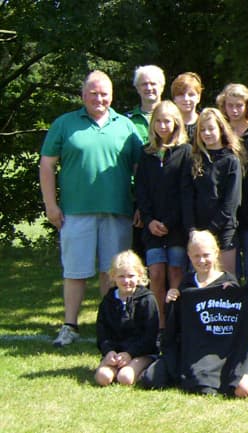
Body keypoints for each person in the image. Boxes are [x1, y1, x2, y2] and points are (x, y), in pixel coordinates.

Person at [41, 70, 144, 347]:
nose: (100, 98)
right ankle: (70, 325)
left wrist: (141, 205)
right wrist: (51, 205)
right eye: (94, 93)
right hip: (76, 211)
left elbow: (141, 171)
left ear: (112, 96)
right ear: (83, 95)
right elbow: (47, 166)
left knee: (112, 273)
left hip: (118, 210)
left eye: (105, 94)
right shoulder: (64, 124)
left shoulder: (125, 126)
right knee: (75, 271)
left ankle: (110, 324)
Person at [146, 231, 248, 396]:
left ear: (216, 253)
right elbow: (177, 322)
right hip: (191, 350)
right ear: (189, 256)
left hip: (221, 352)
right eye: (196, 256)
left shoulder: (229, 284)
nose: (201, 260)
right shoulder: (186, 283)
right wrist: (171, 301)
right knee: (151, 379)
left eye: (206, 255)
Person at [135, 100, 191, 328]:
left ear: (176, 123)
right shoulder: (146, 153)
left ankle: (176, 321)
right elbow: (141, 190)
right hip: (152, 226)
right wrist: (149, 220)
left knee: (176, 272)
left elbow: (185, 191)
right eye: (158, 121)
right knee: (156, 274)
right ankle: (160, 323)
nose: (163, 125)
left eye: (167, 121)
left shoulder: (185, 151)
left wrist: (170, 221)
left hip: (176, 226)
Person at [182, 108, 245, 275]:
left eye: (211, 129)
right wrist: (192, 230)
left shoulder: (231, 160)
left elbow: (232, 202)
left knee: (226, 283)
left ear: (221, 129)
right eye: (202, 129)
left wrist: (209, 233)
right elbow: (187, 197)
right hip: (197, 231)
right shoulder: (193, 159)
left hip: (224, 231)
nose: (206, 133)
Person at [216, 83, 248, 280]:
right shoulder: (220, 134)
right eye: (230, 105)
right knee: (228, 272)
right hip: (227, 212)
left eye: (239, 105)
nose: (235, 110)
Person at [94, 250, 159, 386]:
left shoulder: (147, 300)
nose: (126, 281)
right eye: (121, 276)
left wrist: (130, 353)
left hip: (141, 352)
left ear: (140, 275)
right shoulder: (108, 300)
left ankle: (145, 369)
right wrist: (109, 351)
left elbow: (150, 335)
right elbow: (102, 332)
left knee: (125, 378)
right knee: (103, 377)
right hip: (116, 353)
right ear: (113, 276)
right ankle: (116, 368)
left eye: (131, 276)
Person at [127, 65, 166, 142]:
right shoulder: (127, 120)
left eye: (153, 84)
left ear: (162, 87)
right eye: (144, 84)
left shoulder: (174, 116)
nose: (149, 88)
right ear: (137, 88)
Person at [170, 72, 203, 139]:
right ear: (174, 98)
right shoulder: (169, 124)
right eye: (181, 94)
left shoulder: (204, 123)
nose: (186, 98)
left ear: (198, 97)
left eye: (191, 94)